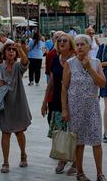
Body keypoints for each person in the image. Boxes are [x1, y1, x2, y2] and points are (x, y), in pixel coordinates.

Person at [62, 34, 107, 181]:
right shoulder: (69, 63)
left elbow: (102, 84)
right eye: (78, 44)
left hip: (92, 107)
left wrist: (89, 68)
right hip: (75, 108)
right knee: (78, 142)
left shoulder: (96, 62)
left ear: (89, 47)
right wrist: (64, 109)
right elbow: (64, 88)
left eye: (83, 44)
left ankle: (100, 173)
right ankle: (80, 172)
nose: (80, 47)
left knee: (96, 141)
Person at [0, 41, 31, 174]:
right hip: (5, 105)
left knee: (20, 132)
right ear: (4, 53)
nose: (11, 52)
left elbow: (26, 63)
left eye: (13, 50)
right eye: (9, 50)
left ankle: (23, 155)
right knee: (5, 132)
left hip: (18, 102)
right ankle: (5, 162)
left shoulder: (18, 66)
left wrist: (20, 49)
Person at [42, 32, 75, 174]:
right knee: (59, 130)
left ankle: (74, 161)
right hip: (56, 99)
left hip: (72, 99)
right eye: (60, 40)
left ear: (70, 44)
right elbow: (51, 82)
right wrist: (44, 101)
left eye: (65, 41)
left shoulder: (75, 60)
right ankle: (62, 158)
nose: (61, 42)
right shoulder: (55, 59)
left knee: (73, 130)